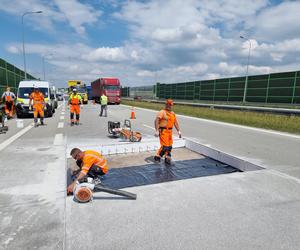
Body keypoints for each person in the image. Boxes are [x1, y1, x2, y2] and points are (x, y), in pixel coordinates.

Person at [154, 99, 182, 165]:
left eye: (170, 105)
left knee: (169, 146)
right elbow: (156, 121)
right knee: (165, 146)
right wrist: (157, 130)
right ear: (166, 104)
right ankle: (158, 157)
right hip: (163, 130)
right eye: (168, 104)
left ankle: (167, 157)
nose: (169, 106)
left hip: (170, 131)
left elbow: (175, 123)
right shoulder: (162, 112)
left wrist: (179, 131)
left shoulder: (173, 113)